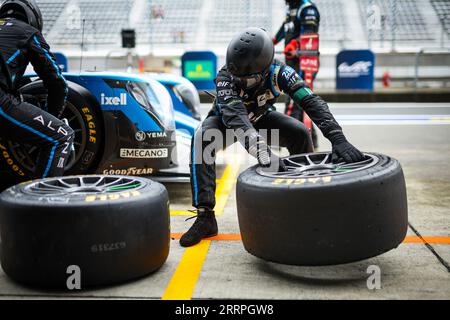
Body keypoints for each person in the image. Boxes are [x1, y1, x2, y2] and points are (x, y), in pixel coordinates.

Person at [180, 27, 364, 247]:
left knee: (299, 133)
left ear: (266, 69)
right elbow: (237, 119)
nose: (238, 82)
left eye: (245, 80)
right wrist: (263, 152)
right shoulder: (225, 77)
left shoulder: (281, 72)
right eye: (235, 76)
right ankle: (205, 217)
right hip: (225, 122)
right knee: (202, 138)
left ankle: (306, 196)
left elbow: (311, 101)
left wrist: (337, 138)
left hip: (261, 118)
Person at [0, 0, 74, 179]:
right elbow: (57, 82)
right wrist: (52, 116)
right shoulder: (28, 32)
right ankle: (42, 202)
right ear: (33, 17)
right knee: (61, 137)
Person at [273, 0, 320, 144]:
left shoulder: (307, 9)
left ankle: (291, 141)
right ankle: (311, 140)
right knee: (301, 103)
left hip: (305, 62)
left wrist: (295, 44)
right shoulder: (292, 8)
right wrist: (273, 40)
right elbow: (285, 28)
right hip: (293, 62)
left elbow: (310, 37)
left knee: (295, 102)